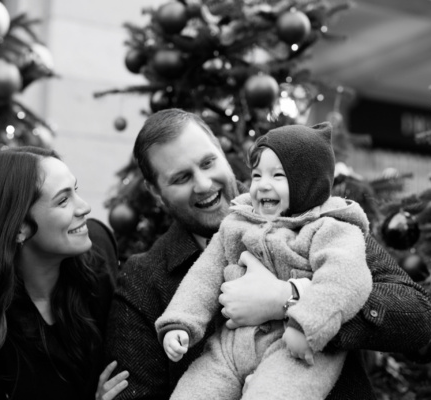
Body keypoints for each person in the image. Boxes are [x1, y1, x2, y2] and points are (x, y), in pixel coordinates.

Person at [106, 109, 431, 400]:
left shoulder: (316, 215)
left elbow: (415, 317)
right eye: (181, 178)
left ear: (221, 150)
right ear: (154, 190)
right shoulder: (143, 280)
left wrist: (289, 298)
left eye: (208, 162)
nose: (204, 184)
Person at [155, 122, 373, 400]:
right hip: (230, 348)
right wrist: (180, 321)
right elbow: (204, 277)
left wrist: (306, 325)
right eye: (257, 175)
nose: (262, 185)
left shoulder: (331, 228)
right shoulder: (237, 223)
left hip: (294, 348)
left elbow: (345, 279)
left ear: (308, 183)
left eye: (278, 175)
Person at [0, 147, 128, 400]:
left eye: (76, 190)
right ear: (18, 228)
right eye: (63, 200)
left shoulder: (99, 250)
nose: (84, 207)